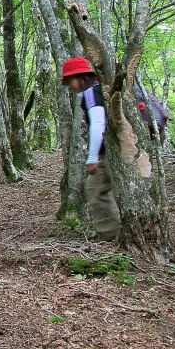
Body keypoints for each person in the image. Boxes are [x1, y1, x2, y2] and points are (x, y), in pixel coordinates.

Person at [62, 57, 121, 241]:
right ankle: (110, 233)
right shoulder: (95, 91)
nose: (68, 85)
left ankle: (127, 233)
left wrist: (92, 156)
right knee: (94, 188)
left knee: (115, 190)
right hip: (110, 151)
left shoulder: (92, 92)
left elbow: (97, 123)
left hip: (116, 151)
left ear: (81, 77)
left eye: (69, 80)